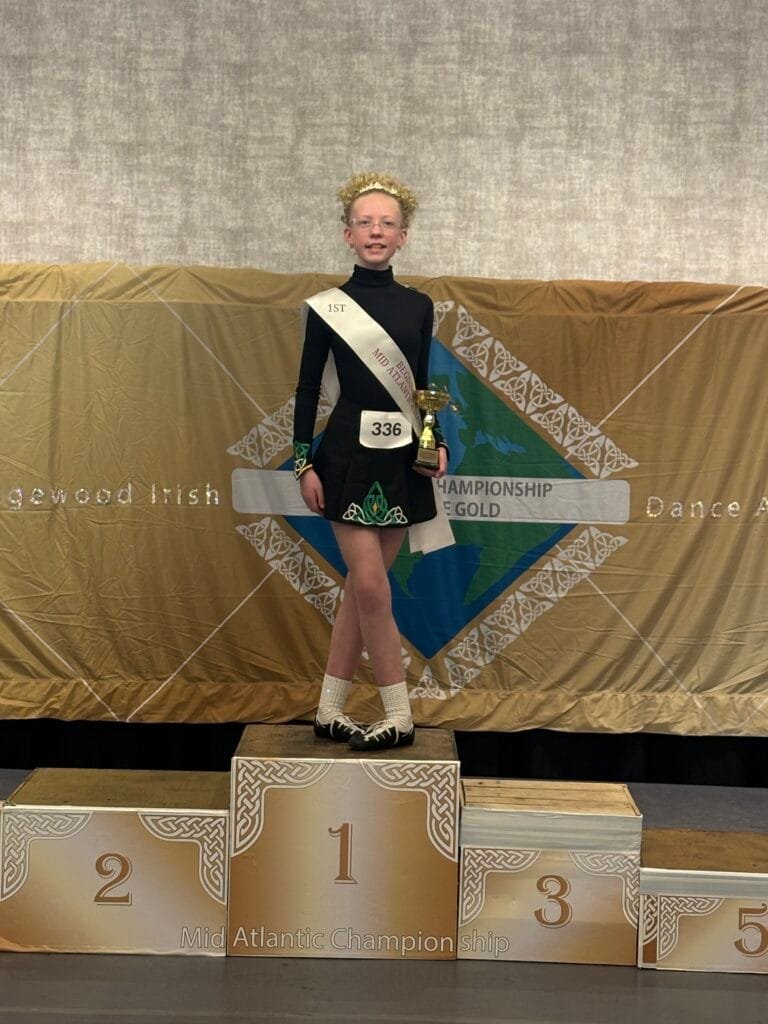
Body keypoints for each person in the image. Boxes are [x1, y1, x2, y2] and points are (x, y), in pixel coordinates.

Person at [292, 171, 450, 752]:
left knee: (362, 593)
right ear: (348, 234)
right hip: (345, 460)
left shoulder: (419, 306)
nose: (376, 231)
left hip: (402, 460)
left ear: (403, 236)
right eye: (365, 222)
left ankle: (329, 710)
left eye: (387, 223)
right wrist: (303, 464)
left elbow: (423, 386)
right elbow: (308, 389)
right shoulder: (328, 308)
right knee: (374, 590)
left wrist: (437, 440)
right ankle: (399, 715)